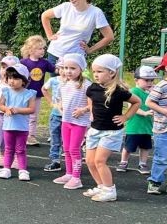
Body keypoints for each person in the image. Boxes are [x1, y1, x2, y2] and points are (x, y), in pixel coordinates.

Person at [82, 55, 140, 203]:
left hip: (112, 131)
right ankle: (101, 186)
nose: (95, 74)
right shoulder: (93, 88)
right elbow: (90, 97)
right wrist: (91, 109)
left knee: (99, 161)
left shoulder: (119, 91)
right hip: (95, 130)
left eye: (100, 71)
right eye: (94, 71)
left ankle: (110, 190)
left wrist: (125, 117)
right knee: (90, 161)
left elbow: (136, 102)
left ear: (112, 73)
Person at [40, 0, 114, 63]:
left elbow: (109, 37)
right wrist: (49, 36)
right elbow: (45, 16)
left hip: (76, 58)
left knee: (77, 76)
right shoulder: (65, 7)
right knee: (56, 77)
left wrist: (90, 50)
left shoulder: (96, 12)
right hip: (55, 54)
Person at [52, 53, 92, 190]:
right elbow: (61, 100)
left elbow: (92, 104)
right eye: (66, 67)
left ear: (81, 69)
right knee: (67, 149)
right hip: (66, 120)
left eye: (73, 68)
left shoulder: (86, 85)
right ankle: (69, 173)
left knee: (74, 149)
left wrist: (83, 110)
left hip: (79, 122)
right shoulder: (64, 84)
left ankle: (76, 177)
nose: (68, 71)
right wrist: (61, 106)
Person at [0, 64, 36, 181]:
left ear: (23, 80)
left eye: (16, 78)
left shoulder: (29, 94)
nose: (12, 81)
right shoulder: (6, 91)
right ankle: (6, 168)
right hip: (8, 126)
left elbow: (31, 109)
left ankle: (23, 170)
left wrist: (18, 110)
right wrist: (6, 109)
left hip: (22, 127)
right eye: (9, 78)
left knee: (21, 149)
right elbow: (0, 105)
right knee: (8, 148)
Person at [117, 65, 156, 174]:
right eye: (146, 80)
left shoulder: (150, 94)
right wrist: (144, 113)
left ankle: (142, 163)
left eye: (151, 80)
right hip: (134, 127)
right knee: (129, 146)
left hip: (146, 126)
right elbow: (131, 107)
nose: (150, 83)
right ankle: (123, 162)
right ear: (136, 80)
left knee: (145, 147)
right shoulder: (134, 91)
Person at [19, 35, 55, 146]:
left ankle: (31, 136)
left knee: (33, 116)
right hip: (24, 93)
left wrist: (63, 65)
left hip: (37, 94)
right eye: (39, 48)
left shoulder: (44, 63)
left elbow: (55, 69)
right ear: (31, 50)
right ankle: (21, 134)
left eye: (43, 48)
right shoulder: (23, 63)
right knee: (22, 114)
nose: (42, 51)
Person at [146, 58, 167, 195]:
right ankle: (155, 182)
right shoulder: (162, 85)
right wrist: (164, 111)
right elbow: (149, 102)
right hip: (162, 129)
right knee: (162, 157)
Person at [41, 59, 66, 172]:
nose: (64, 71)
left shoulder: (73, 82)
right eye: (61, 68)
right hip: (56, 114)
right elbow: (44, 89)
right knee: (55, 138)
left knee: (68, 140)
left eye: (66, 68)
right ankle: (55, 160)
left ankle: (73, 161)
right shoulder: (54, 80)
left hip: (69, 116)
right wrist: (51, 102)